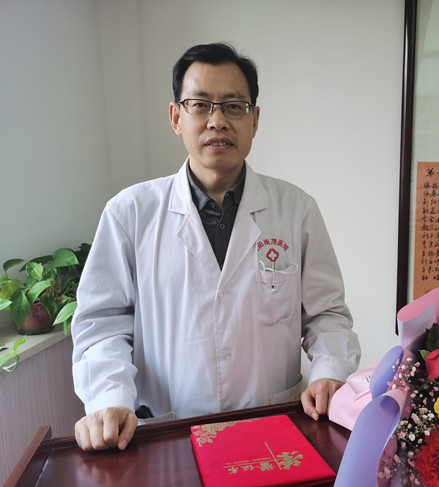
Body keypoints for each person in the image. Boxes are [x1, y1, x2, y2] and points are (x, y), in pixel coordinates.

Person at [71, 42, 361, 451]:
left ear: (254, 120)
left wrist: (329, 372)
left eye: (234, 106)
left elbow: (326, 315)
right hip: (167, 432)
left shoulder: (296, 210)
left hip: (270, 425)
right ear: (176, 117)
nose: (218, 120)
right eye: (200, 105)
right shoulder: (130, 213)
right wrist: (109, 397)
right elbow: (102, 324)